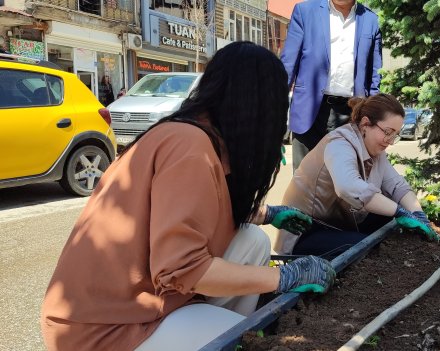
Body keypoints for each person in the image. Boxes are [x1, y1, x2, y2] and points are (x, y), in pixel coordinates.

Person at [40, 42, 336, 351]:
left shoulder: (198, 135)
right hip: (103, 328)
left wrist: (267, 214)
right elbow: (183, 270)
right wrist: (285, 277)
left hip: (136, 300)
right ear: (258, 105)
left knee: (252, 241)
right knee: (246, 340)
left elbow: (197, 209)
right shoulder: (189, 146)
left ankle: (202, 330)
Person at [272, 93, 439, 257]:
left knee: (394, 230)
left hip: (338, 225)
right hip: (306, 231)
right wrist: (400, 212)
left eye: (395, 135)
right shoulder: (339, 143)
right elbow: (348, 187)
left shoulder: (375, 151)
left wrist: (418, 215)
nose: (390, 140)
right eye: (387, 132)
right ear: (366, 123)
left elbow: (397, 186)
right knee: (368, 248)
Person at [281, 0, 383, 171]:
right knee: (304, 181)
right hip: (309, 112)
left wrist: (373, 116)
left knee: (345, 182)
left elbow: (375, 73)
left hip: (350, 114)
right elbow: (288, 65)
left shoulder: (370, 20)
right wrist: (276, 112)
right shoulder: (305, 12)